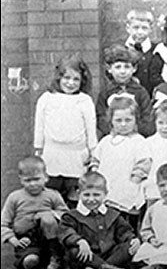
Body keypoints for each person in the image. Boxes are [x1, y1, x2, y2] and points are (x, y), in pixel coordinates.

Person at [33, 53, 96, 209]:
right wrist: (38, 148)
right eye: (66, 78)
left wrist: (93, 152)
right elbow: (39, 125)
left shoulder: (85, 101)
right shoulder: (47, 98)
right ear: (58, 78)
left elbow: (90, 128)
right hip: (52, 155)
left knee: (74, 196)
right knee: (51, 196)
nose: (70, 83)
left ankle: (71, 227)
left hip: (76, 156)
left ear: (82, 81)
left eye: (76, 79)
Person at [58, 171, 141, 269]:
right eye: (86, 195)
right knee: (74, 251)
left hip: (111, 254)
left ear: (105, 194)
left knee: (130, 247)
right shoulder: (71, 216)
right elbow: (66, 231)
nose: (91, 199)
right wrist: (79, 241)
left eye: (96, 195)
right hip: (87, 254)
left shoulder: (113, 214)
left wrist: (132, 239)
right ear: (78, 194)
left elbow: (124, 231)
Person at [90, 97, 152, 233]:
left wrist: (134, 181)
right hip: (108, 186)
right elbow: (96, 160)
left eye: (128, 120)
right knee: (106, 219)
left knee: (125, 222)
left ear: (135, 120)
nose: (123, 124)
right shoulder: (106, 141)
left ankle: (128, 244)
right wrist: (95, 173)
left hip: (127, 187)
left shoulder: (138, 141)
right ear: (111, 121)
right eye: (118, 120)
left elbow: (144, 163)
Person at [1, 156, 67, 269]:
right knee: (30, 261)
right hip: (26, 240)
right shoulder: (14, 197)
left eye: (37, 179)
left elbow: (66, 215)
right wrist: (13, 240)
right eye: (28, 180)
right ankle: (34, 257)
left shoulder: (52, 195)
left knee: (47, 218)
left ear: (46, 177)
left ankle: (55, 255)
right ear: (20, 179)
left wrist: (48, 213)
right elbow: (3, 223)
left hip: (48, 236)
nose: (32, 184)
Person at [96, 43, 154, 139]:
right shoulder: (106, 92)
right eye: (118, 67)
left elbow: (147, 118)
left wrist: (134, 130)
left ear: (134, 69)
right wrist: (113, 130)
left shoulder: (140, 92)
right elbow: (100, 117)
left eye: (127, 67)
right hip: (113, 137)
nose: (122, 71)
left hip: (136, 137)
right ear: (109, 69)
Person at [124, 9, 164, 96]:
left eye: (144, 28)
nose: (140, 32)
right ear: (128, 28)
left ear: (151, 29)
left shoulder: (157, 50)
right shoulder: (121, 50)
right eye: (135, 27)